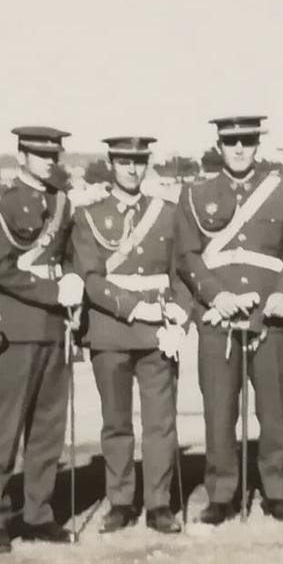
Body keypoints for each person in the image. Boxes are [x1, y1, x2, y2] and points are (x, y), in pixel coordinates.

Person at [176, 115, 283, 525]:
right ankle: (222, 494)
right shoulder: (196, 194)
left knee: (274, 408)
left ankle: (277, 491)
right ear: (219, 144)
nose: (239, 149)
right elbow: (188, 256)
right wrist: (216, 295)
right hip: (219, 318)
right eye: (231, 142)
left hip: (270, 316)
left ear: (256, 145)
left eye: (247, 141)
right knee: (219, 410)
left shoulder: (282, 192)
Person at [72, 136, 191, 535]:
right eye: (124, 161)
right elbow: (90, 277)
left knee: (161, 423)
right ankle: (121, 501)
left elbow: (182, 272)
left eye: (139, 161)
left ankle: (159, 504)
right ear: (111, 163)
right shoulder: (90, 215)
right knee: (116, 423)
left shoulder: (168, 213)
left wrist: (181, 316)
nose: (131, 169)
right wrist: (134, 308)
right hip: (111, 328)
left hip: (159, 331)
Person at [0, 127, 82, 553]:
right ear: (22, 156)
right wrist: (53, 291)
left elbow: (68, 256)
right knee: (5, 427)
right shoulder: (0, 203)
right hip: (17, 325)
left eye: (53, 154)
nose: (48, 161)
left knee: (47, 427)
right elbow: (0, 267)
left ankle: (39, 512)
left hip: (55, 326)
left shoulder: (61, 203)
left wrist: (72, 281)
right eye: (39, 154)